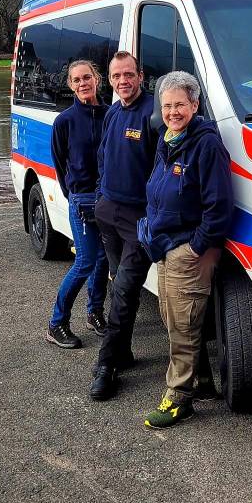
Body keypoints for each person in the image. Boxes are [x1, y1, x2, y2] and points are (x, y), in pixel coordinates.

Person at [138, 71, 234, 429]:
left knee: (182, 326)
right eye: (167, 105)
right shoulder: (169, 138)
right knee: (175, 320)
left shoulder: (205, 144)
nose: (173, 111)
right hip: (165, 246)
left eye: (180, 104)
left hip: (187, 250)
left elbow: (219, 206)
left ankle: (179, 398)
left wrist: (195, 248)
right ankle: (202, 383)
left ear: (195, 105)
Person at [89, 52, 158, 400]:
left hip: (139, 220)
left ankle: (106, 365)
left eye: (128, 75)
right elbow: (102, 157)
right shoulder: (114, 112)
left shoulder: (153, 113)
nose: (122, 82)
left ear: (140, 76)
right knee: (119, 284)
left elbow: (162, 168)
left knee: (126, 289)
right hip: (108, 214)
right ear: (110, 80)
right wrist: (100, 197)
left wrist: (153, 214)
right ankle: (124, 351)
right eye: (116, 77)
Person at [45, 59, 110, 349]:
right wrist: (73, 193)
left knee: (103, 259)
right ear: (71, 85)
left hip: (108, 199)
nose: (83, 83)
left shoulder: (111, 115)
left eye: (87, 77)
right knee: (84, 262)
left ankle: (95, 313)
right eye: (76, 80)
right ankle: (56, 324)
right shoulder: (65, 121)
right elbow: (60, 163)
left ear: (97, 79)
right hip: (82, 200)